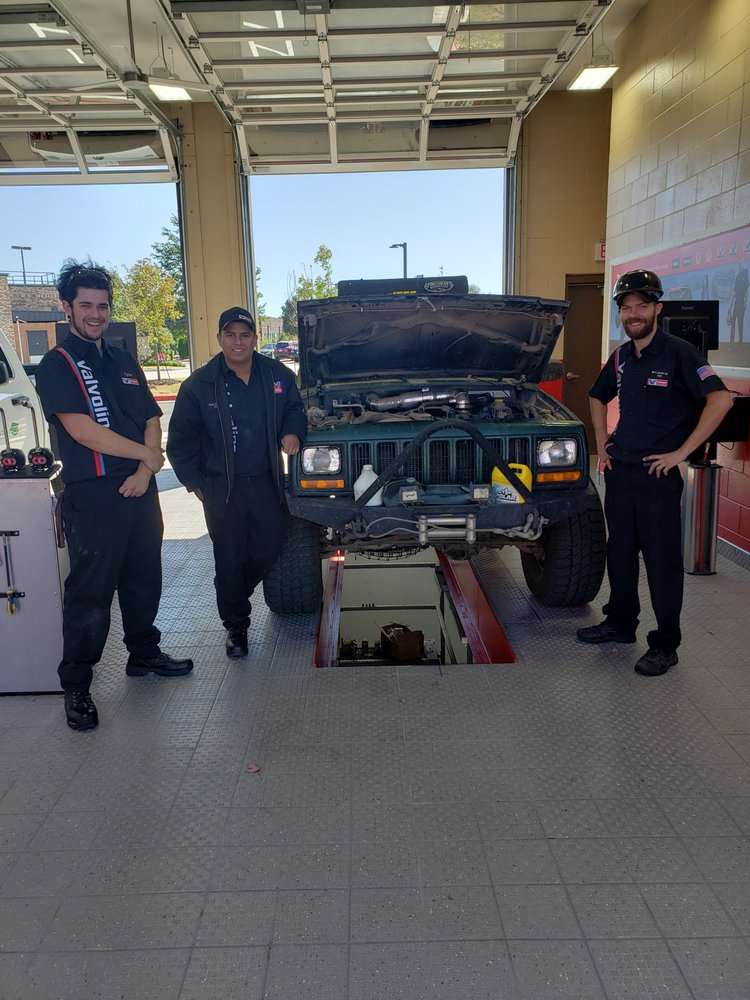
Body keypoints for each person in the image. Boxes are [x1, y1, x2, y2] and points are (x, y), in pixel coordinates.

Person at [35, 260, 194, 732]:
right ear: (67, 308)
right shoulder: (56, 365)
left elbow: (150, 415)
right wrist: (148, 457)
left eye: (102, 305)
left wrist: (147, 470)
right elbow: (84, 432)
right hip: (95, 495)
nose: (95, 313)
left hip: (139, 490)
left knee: (144, 579)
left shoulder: (123, 360)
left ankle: (143, 655)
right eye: (85, 304)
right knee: (91, 594)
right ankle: (77, 685)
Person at [577, 268, 732, 676]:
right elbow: (596, 395)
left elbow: (720, 400)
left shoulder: (680, 353)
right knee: (621, 554)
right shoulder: (622, 356)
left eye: (641, 306)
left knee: (661, 562)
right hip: (621, 472)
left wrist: (682, 452)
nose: (633, 314)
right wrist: (602, 441)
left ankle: (665, 644)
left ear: (656, 309)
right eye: (626, 308)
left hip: (658, 478)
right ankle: (620, 623)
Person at [166, 306, 306, 658]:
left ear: (255, 339)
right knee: (228, 557)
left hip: (265, 482)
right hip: (221, 490)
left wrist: (292, 432)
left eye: (245, 335)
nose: (238, 341)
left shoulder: (275, 375)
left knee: (270, 545)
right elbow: (180, 441)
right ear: (220, 339)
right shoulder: (199, 385)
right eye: (230, 335)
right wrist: (194, 483)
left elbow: (294, 408)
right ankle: (236, 625)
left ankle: (233, 594)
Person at [728, 262, 748, 344]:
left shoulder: (745, 274)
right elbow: (734, 292)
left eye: (740, 264)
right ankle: (731, 342)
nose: (739, 266)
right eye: (738, 264)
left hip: (741, 302)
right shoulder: (737, 277)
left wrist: (745, 303)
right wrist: (730, 305)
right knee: (733, 322)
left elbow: (747, 290)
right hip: (736, 303)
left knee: (741, 323)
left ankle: (740, 343)